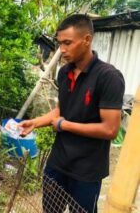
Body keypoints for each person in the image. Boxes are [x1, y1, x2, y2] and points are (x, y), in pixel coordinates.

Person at [19, 14, 125, 213]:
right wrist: (35, 122)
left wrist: (64, 125)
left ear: (87, 40)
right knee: (50, 210)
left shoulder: (108, 77)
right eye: (60, 43)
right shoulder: (64, 72)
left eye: (67, 43)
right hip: (58, 163)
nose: (62, 50)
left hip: (86, 170)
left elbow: (110, 129)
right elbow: (62, 110)